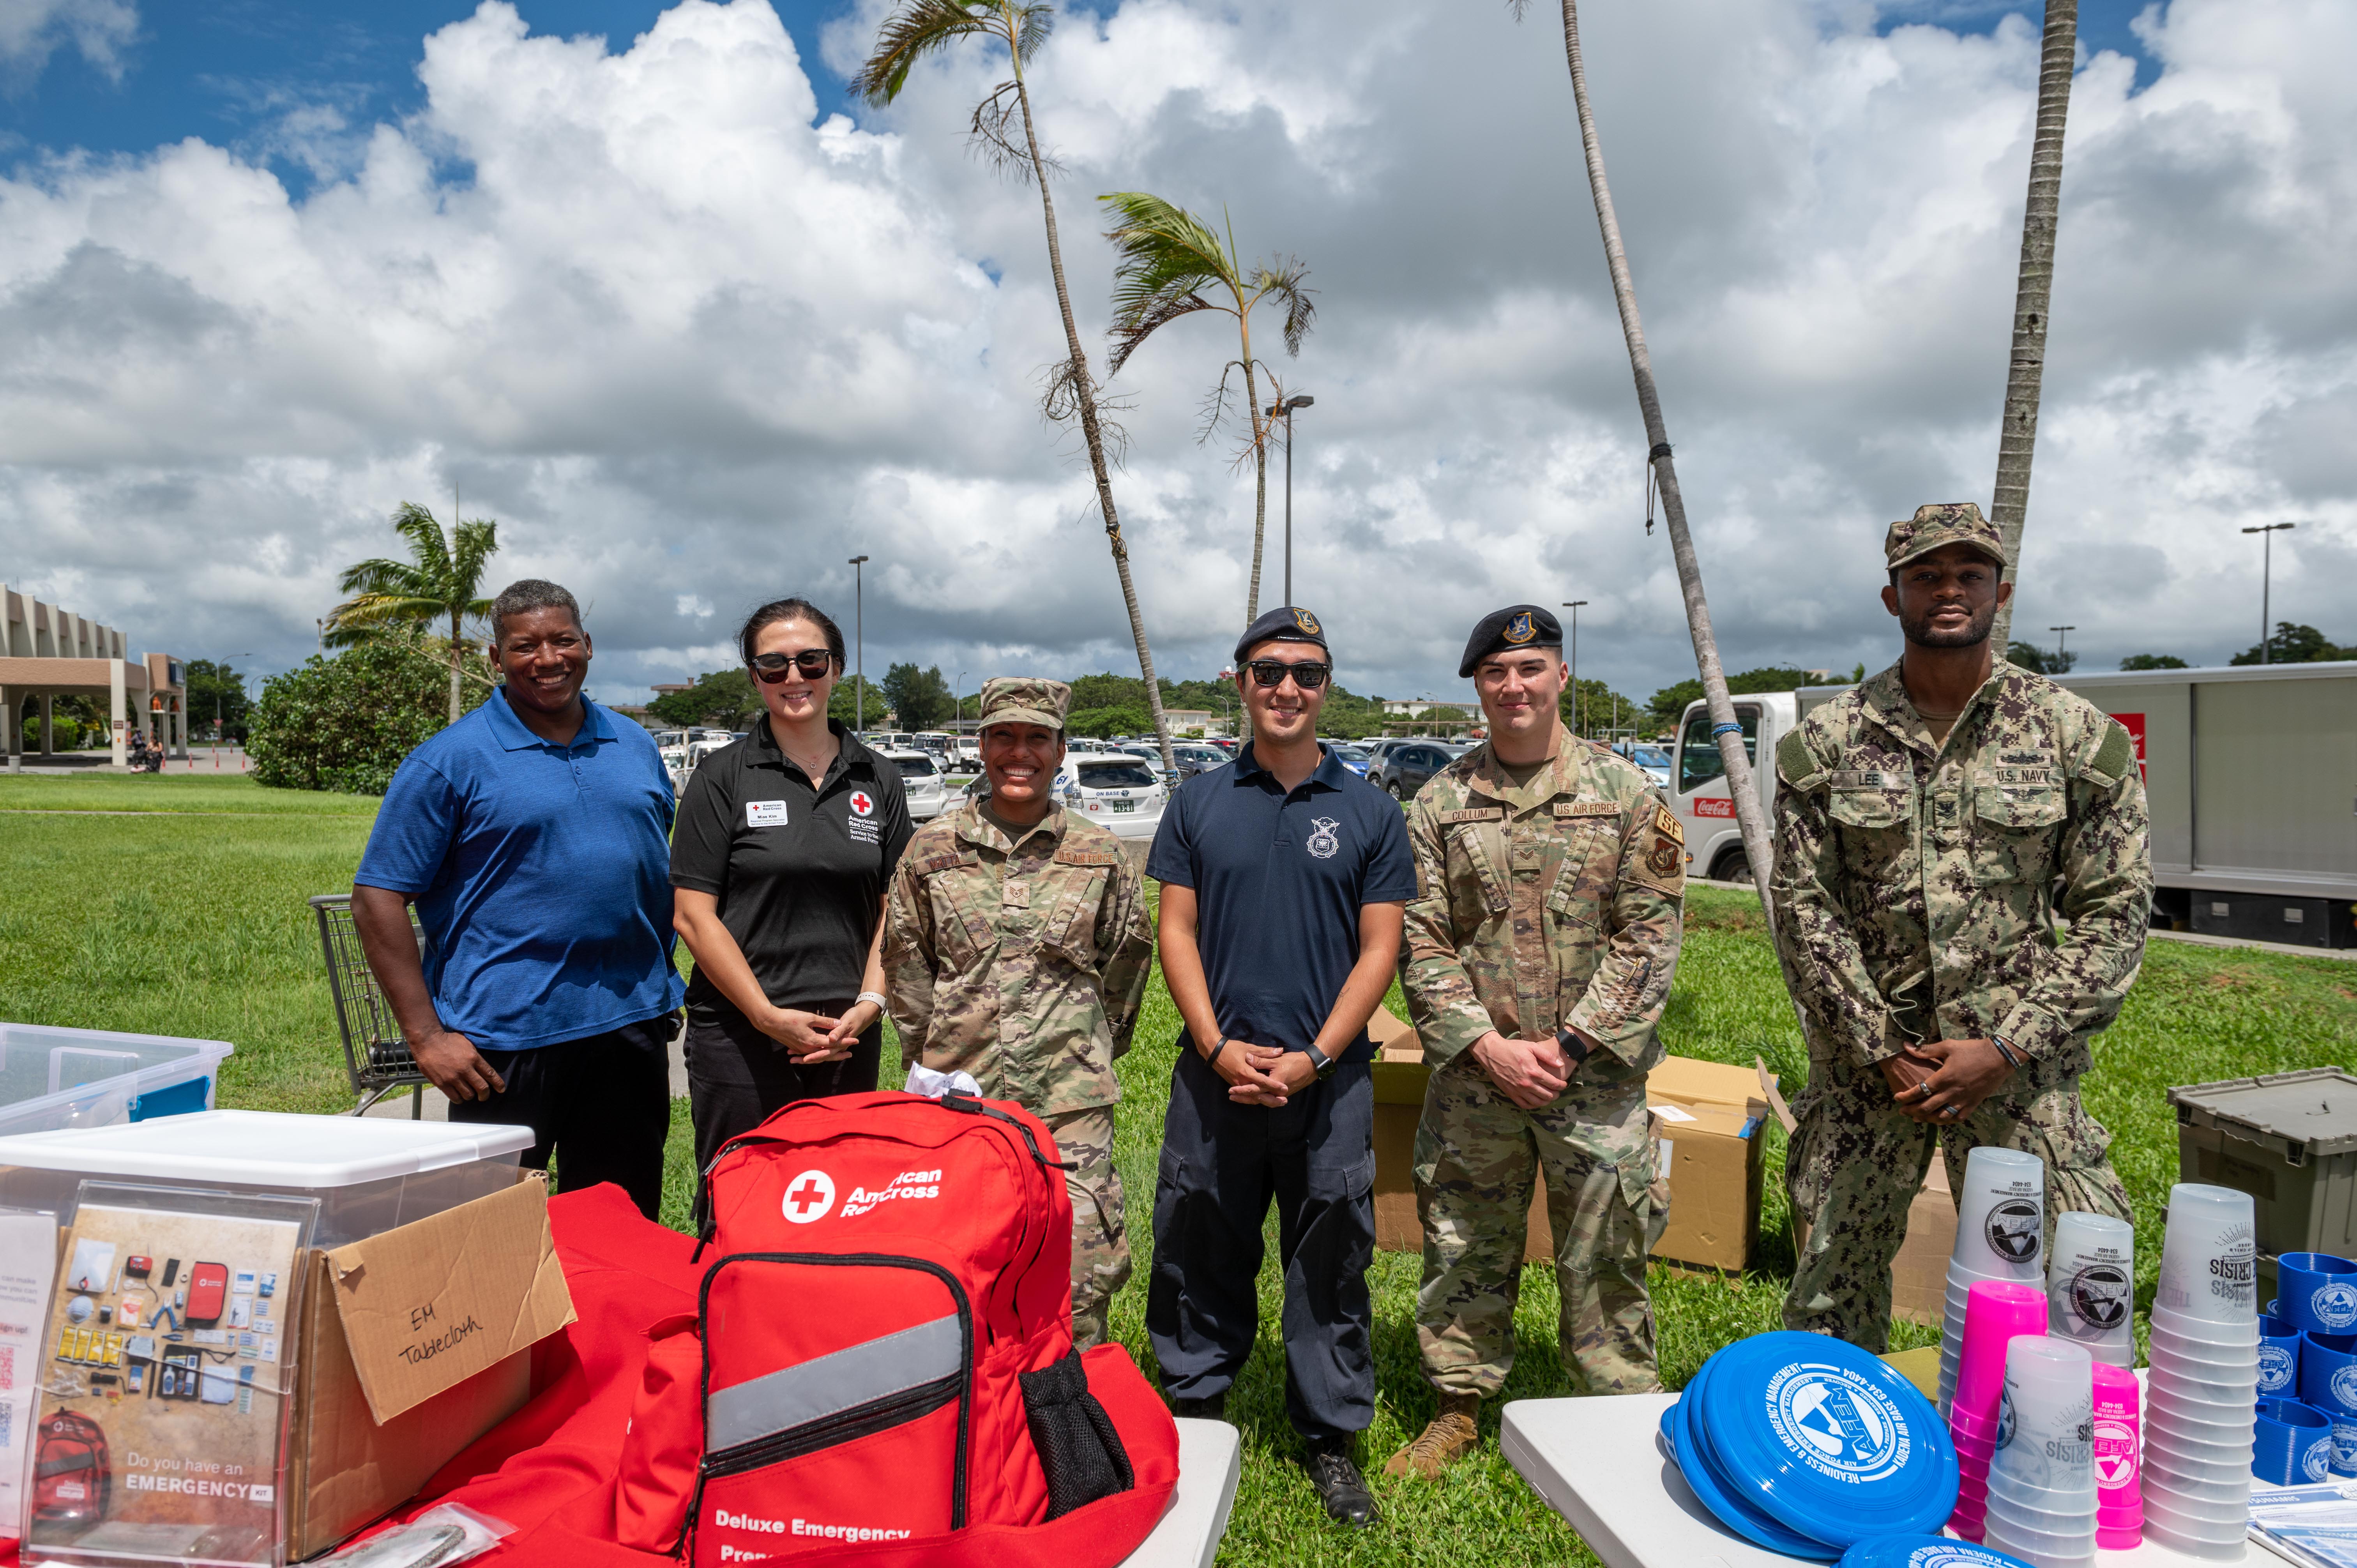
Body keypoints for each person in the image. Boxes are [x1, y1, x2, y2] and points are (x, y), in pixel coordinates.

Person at [1774, 503, 2149, 1348]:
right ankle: (1839, 1426)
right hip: (1871, 1073)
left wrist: (2007, 1047)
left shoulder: (2071, 735)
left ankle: (2044, 1425)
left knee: (2079, 1282)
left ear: (2000, 592)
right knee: (1832, 1292)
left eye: (1969, 574)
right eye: (1926, 576)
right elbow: (1803, 906)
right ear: (1893, 597)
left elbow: (2116, 913)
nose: (1949, 590)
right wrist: (1880, 1046)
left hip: (2017, 1068)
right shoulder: (1830, 741)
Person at [1390, 605, 1684, 1480]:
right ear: (1478, 686)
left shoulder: (1627, 792)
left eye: (1530, 668)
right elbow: (1418, 937)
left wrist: (1573, 1043)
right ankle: (1457, 1404)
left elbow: (1650, 934)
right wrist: (1487, 1047)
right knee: (1462, 1242)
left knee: (1609, 1248)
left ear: (1561, 675)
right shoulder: (1439, 802)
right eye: (1495, 672)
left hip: (1592, 1080)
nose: (1513, 685)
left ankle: (1621, 1408)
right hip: (1477, 1080)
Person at [1145, 605, 1417, 1530]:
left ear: (1326, 686)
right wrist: (1217, 1044)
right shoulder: (1198, 801)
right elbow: (1175, 929)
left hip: (1329, 1081)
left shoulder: (1371, 809)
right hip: (1213, 1076)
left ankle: (1329, 1436)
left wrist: (1316, 1055)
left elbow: (1380, 949)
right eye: (1269, 671)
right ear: (1242, 683)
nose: (1287, 687)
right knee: (1198, 1239)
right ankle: (1195, 1412)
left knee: (1332, 1256)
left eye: (1306, 672)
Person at [352, 579, 683, 1219]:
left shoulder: (635, 744)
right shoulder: (449, 761)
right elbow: (377, 899)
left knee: (620, 1225)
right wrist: (426, 1038)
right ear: (496, 657)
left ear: (588, 645)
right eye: (525, 646)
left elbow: (654, 865)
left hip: (629, 1025)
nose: (548, 659)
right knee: (492, 1230)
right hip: (502, 1042)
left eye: (563, 641)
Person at [881, 677, 1154, 1347]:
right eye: (1003, 736)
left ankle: (1074, 1397)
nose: (1019, 753)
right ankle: (976, 1397)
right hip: (961, 1102)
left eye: (1037, 738)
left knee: (1079, 1269)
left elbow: (1125, 968)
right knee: (958, 1267)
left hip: (1069, 1105)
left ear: (1061, 749)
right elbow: (908, 971)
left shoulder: (1099, 854)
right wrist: (939, 1058)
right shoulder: (931, 851)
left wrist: (1083, 1048)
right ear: (981, 745)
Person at [670, 598, 913, 1175]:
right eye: (774, 665)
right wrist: (765, 1016)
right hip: (740, 1036)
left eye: (811, 660)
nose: (794, 676)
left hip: (845, 1035)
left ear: (837, 668)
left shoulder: (878, 777)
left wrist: (871, 1003)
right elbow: (693, 917)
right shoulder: (722, 777)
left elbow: (897, 908)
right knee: (741, 1195)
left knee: (842, 1198)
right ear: (756, 678)